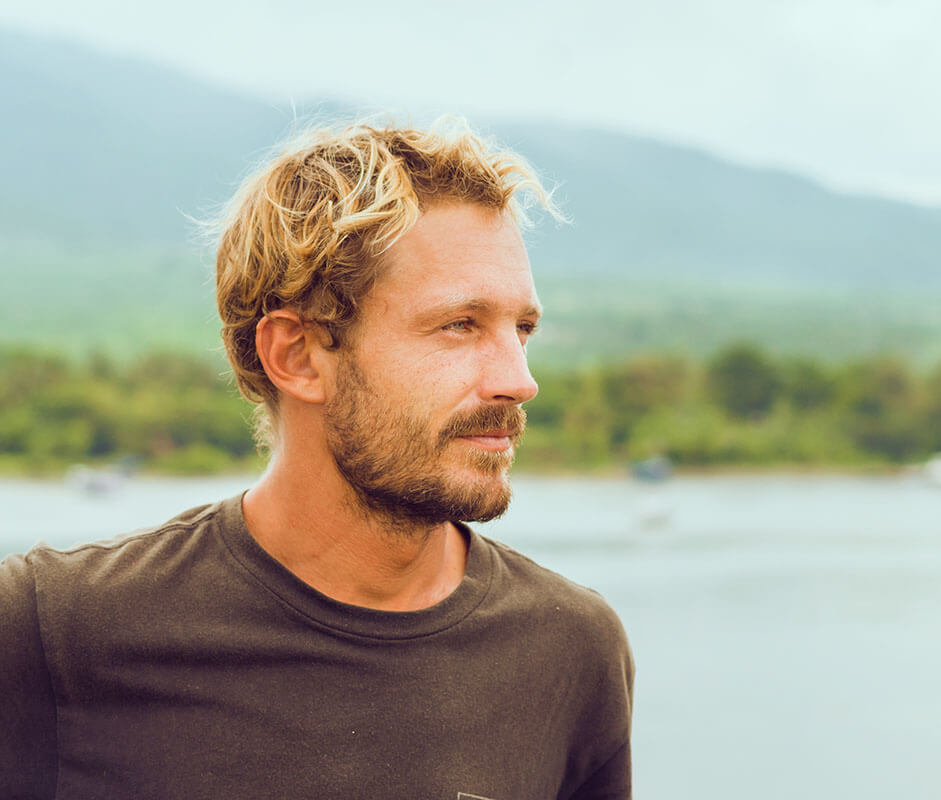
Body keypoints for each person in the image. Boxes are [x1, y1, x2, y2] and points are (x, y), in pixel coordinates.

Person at [0, 121, 633, 798]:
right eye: (460, 325)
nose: (519, 378)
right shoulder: (48, 633)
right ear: (297, 357)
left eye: (523, 329)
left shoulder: (570, 650)